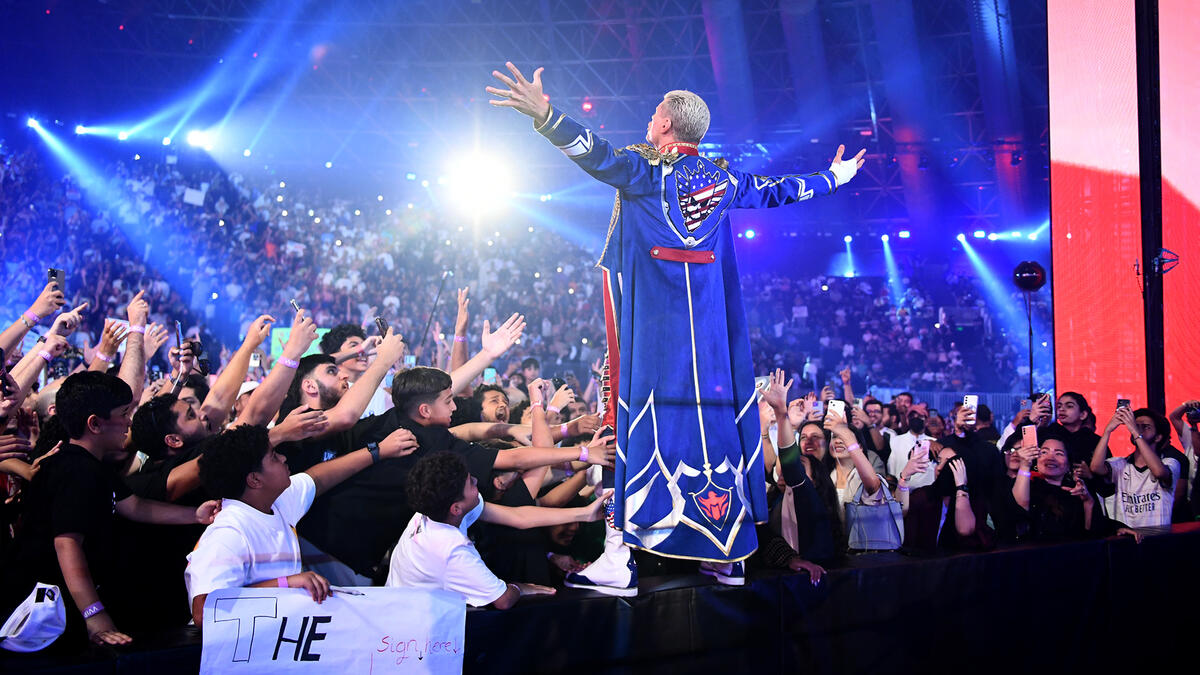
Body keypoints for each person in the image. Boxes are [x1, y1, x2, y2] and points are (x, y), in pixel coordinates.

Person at [487, 62, 865, 589]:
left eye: (653, 115)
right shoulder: (724, 178)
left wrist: (547, 116)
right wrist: (833, 178)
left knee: (632, 424)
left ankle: (620, 561)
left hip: (656, 331)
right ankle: (726, 556)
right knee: (713, 430)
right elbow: (778, 190)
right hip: (710, 335)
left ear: (666, 123)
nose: (647, 122)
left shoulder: (648, 172)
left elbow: (594, 155)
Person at [2, 372, 221, 648]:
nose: (128, 422)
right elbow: (67, 545)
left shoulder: (95, 465)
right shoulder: (74, 470)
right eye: (123, 413)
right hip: (37, 613)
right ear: (95, 424)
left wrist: (194, 515)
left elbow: (135, 506)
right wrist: (95, 615)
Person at [185, 423, 419, 625]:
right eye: (274, 457)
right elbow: (205, 611)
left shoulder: (276, 502)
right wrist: (285, 584)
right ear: (255, 480)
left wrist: (378, 451)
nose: (283, 458)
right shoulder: (228, 533)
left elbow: (318, 477)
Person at [385, 451, 610, 609]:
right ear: (456, 507)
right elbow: (503, 600)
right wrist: (519, 587)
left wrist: (586, 514)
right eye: (470, 483)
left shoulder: (434, 513)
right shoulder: (452, 550)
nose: (475, 480)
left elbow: (517, 516)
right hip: (411, 629)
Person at [1089, 406, 1180, 529]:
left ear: (1158, 437)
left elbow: (1159, 472)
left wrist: (1135, 431)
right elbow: (1095, 467)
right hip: (1126, 539)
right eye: (1136, 425)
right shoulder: (1120, 464)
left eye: (1146, 427)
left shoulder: (1170, 462)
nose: (1139, 429)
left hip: (1157, 539)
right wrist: (1108, 431)